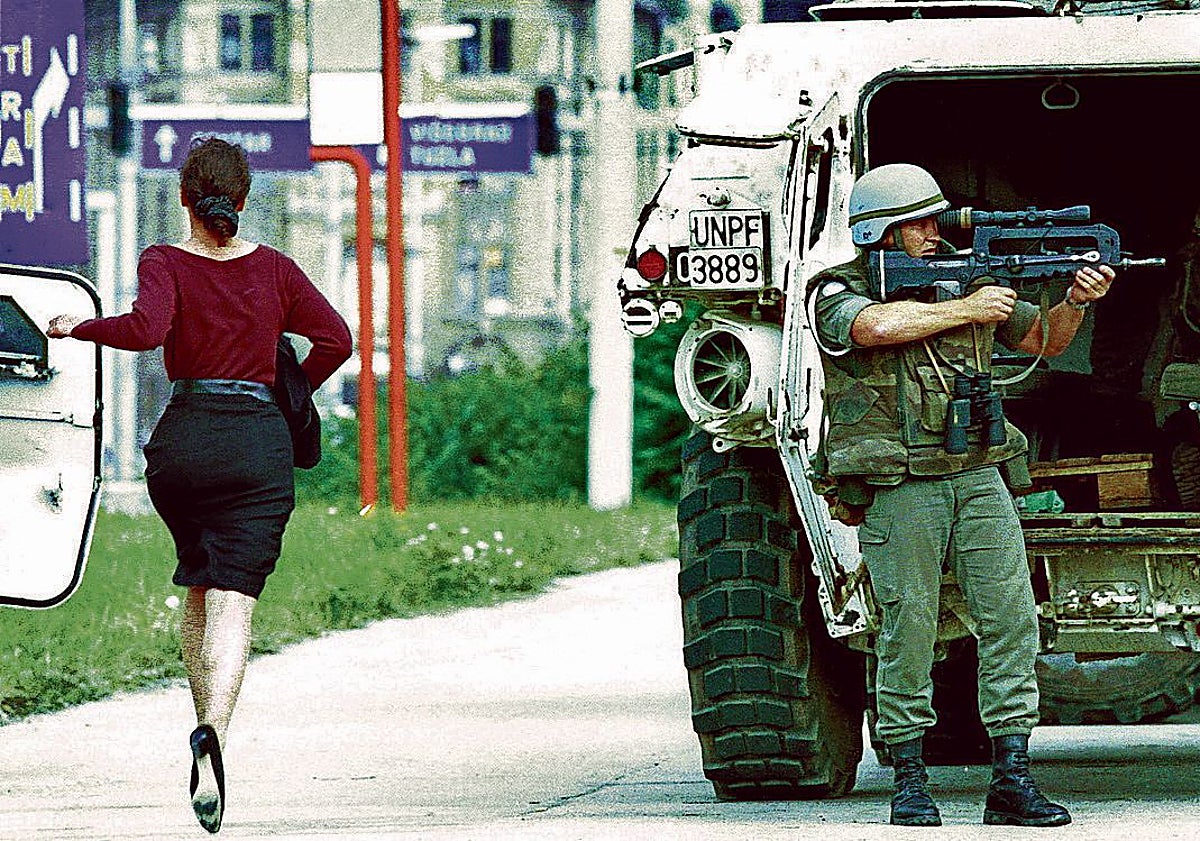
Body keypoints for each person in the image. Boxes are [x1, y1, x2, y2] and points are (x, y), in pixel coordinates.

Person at [47, 137, 352, 834]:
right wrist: (288, 393)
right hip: (256, 445)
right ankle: (214, 726)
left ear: (184, 196)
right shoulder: (275, 269)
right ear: (242, 201)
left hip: (183, 443)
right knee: (233, 601)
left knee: (197, 580)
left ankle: (199, 719)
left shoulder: (163, 259)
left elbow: (147, 327)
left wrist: (77, 326)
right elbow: (336, 338)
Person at [806, 163, 1114, 828]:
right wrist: (967, 309)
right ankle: (911, 781)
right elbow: (869, 329)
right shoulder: (839, 288)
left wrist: (1076, 300)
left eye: (934, 218)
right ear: (879, 232)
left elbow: (1043, 340)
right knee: (908, 625)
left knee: (1012, 618)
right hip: (900, 481)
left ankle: (1012, 777)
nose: (932, 231)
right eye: (917, 221)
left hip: (978, 471)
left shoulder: (969, 275)